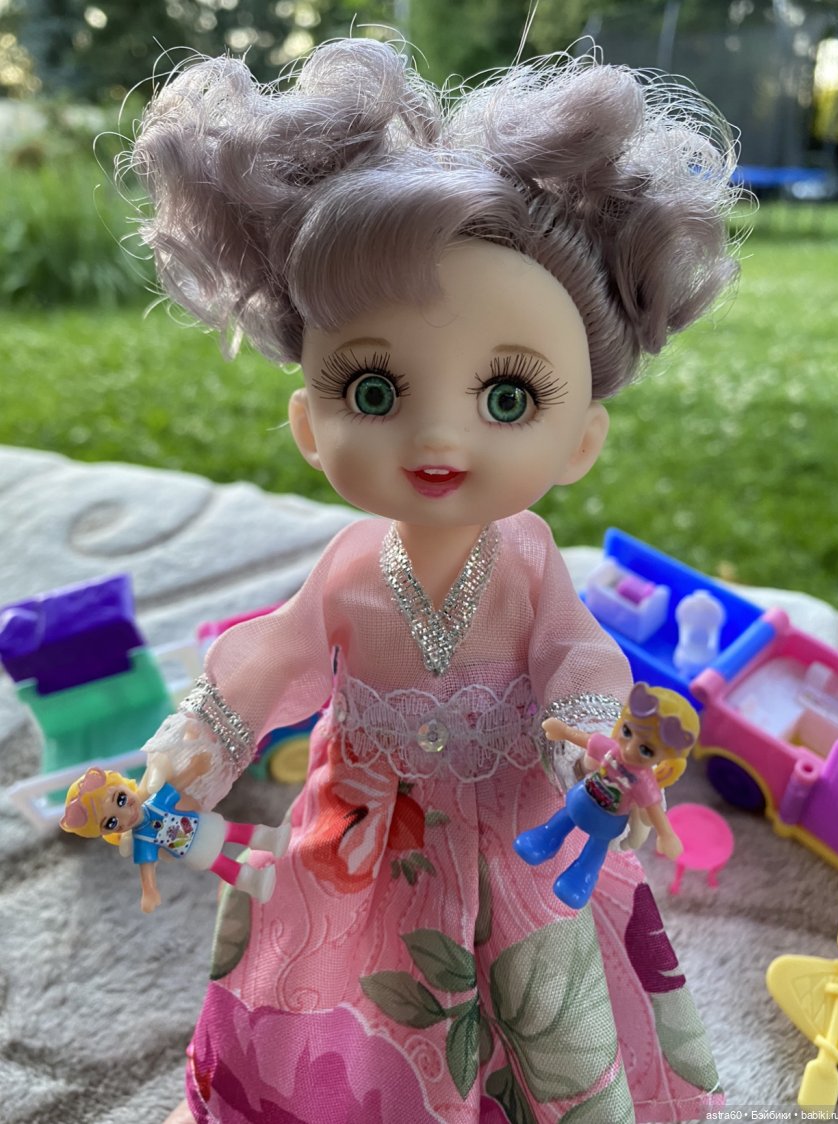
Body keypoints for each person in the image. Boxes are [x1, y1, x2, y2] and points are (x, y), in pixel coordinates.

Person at [128, 35, 738, 1123]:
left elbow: (575, 653)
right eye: (375, 389)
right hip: (367, 834)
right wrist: (190, 758)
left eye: (508, 398)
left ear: (581, 440)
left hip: (519, 826)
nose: (439, 437)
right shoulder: (349, 567)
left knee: (541, 1008)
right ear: (308, 424)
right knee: (341, 995)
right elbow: (270, 659)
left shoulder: (529, 559)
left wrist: (585, 737)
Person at [515, 682, 699, 908]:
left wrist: (666, 835)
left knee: (596, 849)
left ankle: (582, 876)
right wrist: (562, 731)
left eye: (646, 750)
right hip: (583, 799)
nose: (629, 749)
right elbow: (585, 739)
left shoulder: (644, 782)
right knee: (565, 817)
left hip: (608, 821)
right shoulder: (611, 749)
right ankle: (545, 839)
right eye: (627, 732)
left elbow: (653, 808)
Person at [60, 756, 289, 911]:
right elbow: (147, 866)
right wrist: (149, 891)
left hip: (202, 825)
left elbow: (177, 785)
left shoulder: (156, 802)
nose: (125, 813)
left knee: (236, 831)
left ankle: (271, 839)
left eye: (120, 799)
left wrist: (195, 768)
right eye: (111, 822)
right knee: (222, 865)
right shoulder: (142, 839)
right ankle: (254, 882)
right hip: (193, 851)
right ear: (107, 832)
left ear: (124, 786)